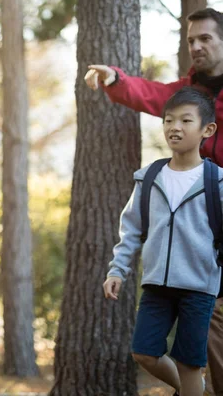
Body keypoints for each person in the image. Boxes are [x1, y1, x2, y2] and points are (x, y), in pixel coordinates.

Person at [86, 8, 223, 395]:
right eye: (191, 40)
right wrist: (117, 79)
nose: (196, 46)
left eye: (205, 39)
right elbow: (155, 95)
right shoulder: (188, 95)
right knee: (194, 350)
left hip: (210, 242)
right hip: (182, 264)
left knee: (205, 345)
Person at [103, 87, 222, 396]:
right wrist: (117, 271)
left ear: (207, 129)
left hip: (199, 287)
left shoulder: (217, 181)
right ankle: (194, 390)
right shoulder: (150, 177)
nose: (175, 127)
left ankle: (192, 387)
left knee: (189, 363)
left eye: (185, 120)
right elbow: (131, 229)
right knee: (144, 352)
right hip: (156, 285)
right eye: (169, 120)